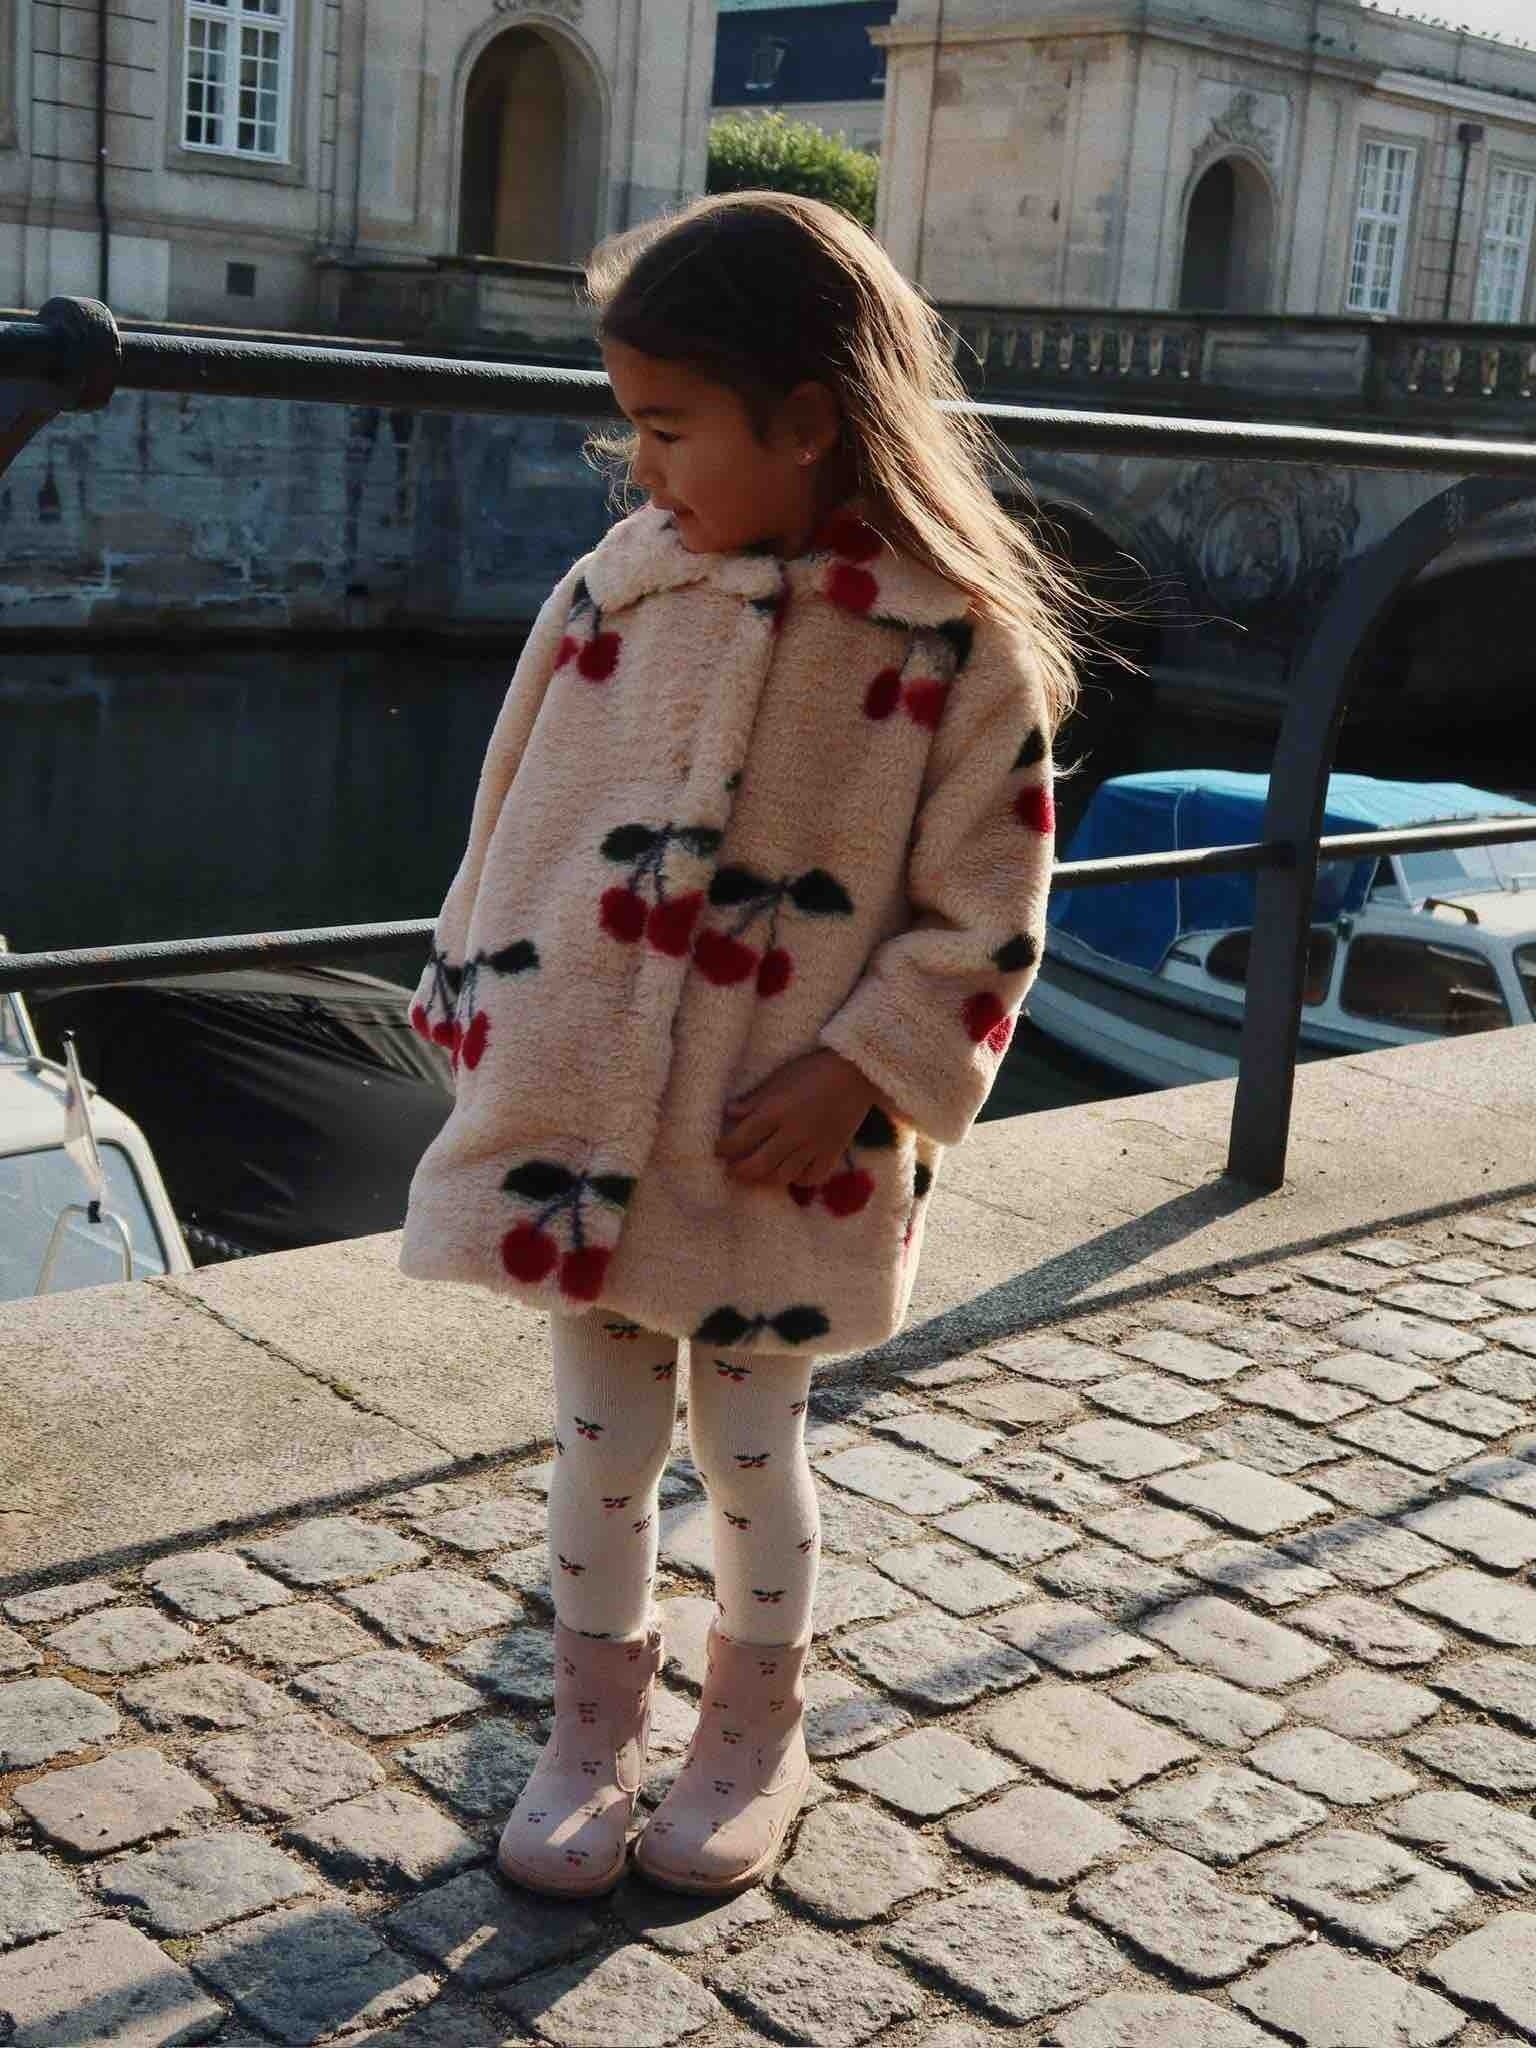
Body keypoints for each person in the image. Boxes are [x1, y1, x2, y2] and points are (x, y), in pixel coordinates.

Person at [400, 190, 1078, 1902]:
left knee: (755, 1451)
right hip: (586, 1127)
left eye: (666, 426)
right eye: (630, 424)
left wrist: (862, 1071)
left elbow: (989, 909)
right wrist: (481, 1008)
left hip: (785, 1139)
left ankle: (753, 1730)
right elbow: (510, 823)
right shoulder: (614, 594)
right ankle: (586, 1732)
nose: (637, 467)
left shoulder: (951, 642)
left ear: (807, 422)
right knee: (599, 1447)